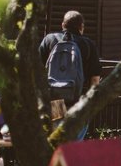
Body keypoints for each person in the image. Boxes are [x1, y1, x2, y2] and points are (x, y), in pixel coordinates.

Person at [39, 10, 101, 139]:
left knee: (57, 132)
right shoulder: (88, 44)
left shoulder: (49, 40)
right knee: (76, 134)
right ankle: (71, 156)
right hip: (79, 99)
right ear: (81, 27)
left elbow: (37, 70)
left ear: (63, 25)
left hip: (56, 98)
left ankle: (59, 155)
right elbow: (95, 79)